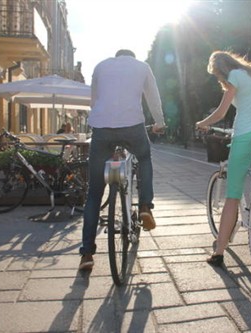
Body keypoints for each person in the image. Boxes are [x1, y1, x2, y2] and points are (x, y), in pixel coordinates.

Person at [79, 49, 166, 271]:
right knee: (144, 158)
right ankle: (145, 205)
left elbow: (93, 101)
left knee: (94, 194)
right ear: (132, 56)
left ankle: (87, 254)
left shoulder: (100, 66)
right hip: (133, 126)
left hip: (102, 128)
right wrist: (159, 121)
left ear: (116, 56)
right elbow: (153, 97)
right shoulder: (142, 67)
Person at [195, 50, 251, 267]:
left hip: (243, 136)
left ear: (221, 69)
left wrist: (202, 123)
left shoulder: (234, 76)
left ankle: (219, 252)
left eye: (217, 75)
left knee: (232, 195)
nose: (218, 79)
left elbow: (222, 112)